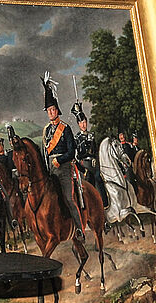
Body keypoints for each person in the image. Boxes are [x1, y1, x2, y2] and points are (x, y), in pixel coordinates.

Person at [40, 72, 84, 241]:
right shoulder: (46, 130)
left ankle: (79, 229)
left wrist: (60, 160)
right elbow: (45, 152)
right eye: (48, 110)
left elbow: (71, 152)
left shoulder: (65, 129)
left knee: (68, 198)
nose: (51, 112)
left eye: (53, 109)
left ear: (57, 111)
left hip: (64, 168)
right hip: (51, 169)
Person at [71, 101, 107, 207]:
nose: (83, 125)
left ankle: (105, 204)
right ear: (78, 124)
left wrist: (96, 159)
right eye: (81, 123)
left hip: (94, 164)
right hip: (84, 165)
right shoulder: (77, 138)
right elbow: (75, 155)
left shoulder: (91, 135)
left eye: (85, 122)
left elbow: (95, 150)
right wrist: (80, 166)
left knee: (100, 179)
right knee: (89, 183)